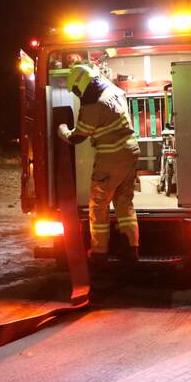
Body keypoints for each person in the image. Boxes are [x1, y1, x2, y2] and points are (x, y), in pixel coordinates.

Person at [58, 63, 141, 265]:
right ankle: (131, 249)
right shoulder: (114, 91)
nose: (78, 94)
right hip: (131, 152)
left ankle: (99, 253)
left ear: (81, 85)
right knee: (124, 202)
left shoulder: (92, 106)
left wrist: (61, 129)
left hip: (111, 157)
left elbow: (78, 137)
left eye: (77, 90)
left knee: (98, 205)